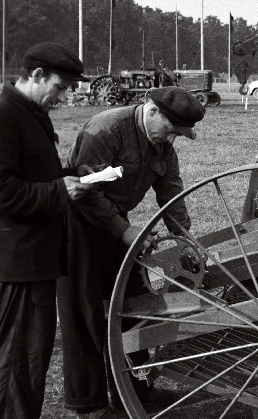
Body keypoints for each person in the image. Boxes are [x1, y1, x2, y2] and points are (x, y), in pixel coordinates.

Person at [56, 86, 205, 418]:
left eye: (178, 135)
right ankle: (88, 405)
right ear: (152, 110)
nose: (170, 140)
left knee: (132, 301)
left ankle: (133, 391)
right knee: (85, 312)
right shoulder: (107, 129)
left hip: (112, 221)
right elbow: (85, 190)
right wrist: (124, 231)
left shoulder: (163, 145)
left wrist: (185, 238)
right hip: (75, 222)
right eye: (170, 130)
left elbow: (171, 190)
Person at [0, 42, 93, 419]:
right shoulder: (1, 117)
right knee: (16, 369)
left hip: (34, 262)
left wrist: (68, 178)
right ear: (37, 75)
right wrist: (60, 191)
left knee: (30, 365)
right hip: (16, 267)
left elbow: (32, 175)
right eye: (60, 87)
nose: (63, 96)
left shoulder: (31, 114)